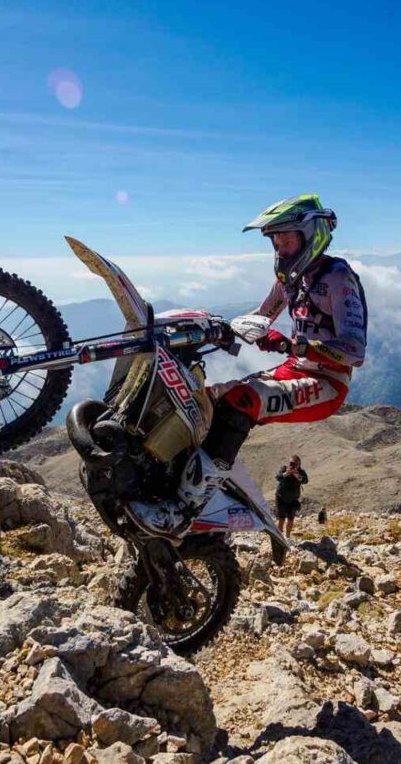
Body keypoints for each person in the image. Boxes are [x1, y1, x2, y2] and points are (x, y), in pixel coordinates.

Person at [133, 195, 367, 537]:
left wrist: (295, 345)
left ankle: (186, 509)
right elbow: (260, 317)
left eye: (287, 240)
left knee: (242, 401)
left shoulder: (338, 277)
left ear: (310, 236)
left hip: (328, 382)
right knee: (206, 397)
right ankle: (168, 482)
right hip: (293, 368)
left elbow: (354, 351)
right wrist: (216, 329)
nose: (281, 249)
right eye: (276, 242)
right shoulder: (290, 279)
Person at [275, 455, 308, 540]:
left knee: (290, 519)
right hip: (281, 497)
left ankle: (287, 537)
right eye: (291, 463)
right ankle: (279, 538)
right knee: (281, 518)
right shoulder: (284, 468)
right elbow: (278, 477)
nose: (292, 465)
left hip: (293, 499)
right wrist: (286, 473)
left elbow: (305, 480)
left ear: (299, 464)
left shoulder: (301, 472)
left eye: (294, 464)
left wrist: (297, 475)